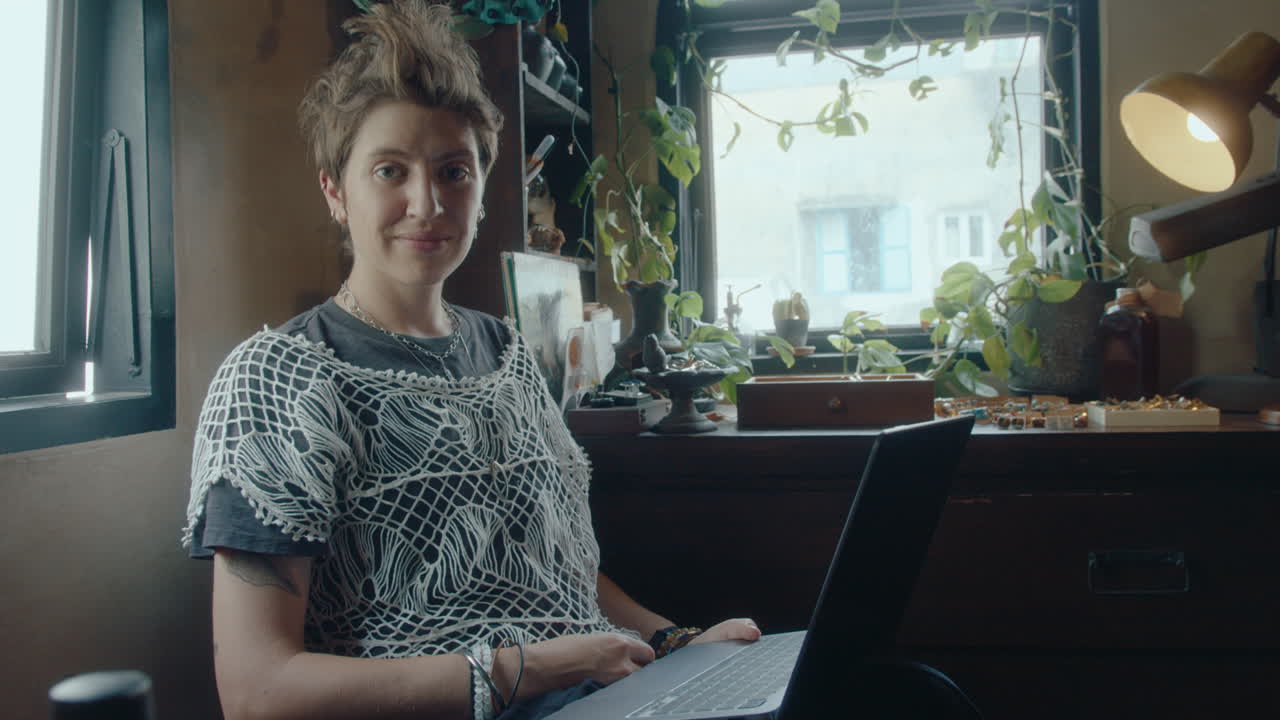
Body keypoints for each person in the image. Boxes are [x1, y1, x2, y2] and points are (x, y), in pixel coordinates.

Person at [180, 2, 759, 719]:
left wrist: (674, 643)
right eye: (389, 170)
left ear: (483, 191)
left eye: (454, 172)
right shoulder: (277, 378)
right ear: (335, 191)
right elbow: (257, 693)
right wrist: (526, 669)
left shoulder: (509, 355)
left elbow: (560, 576)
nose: (427, 203)